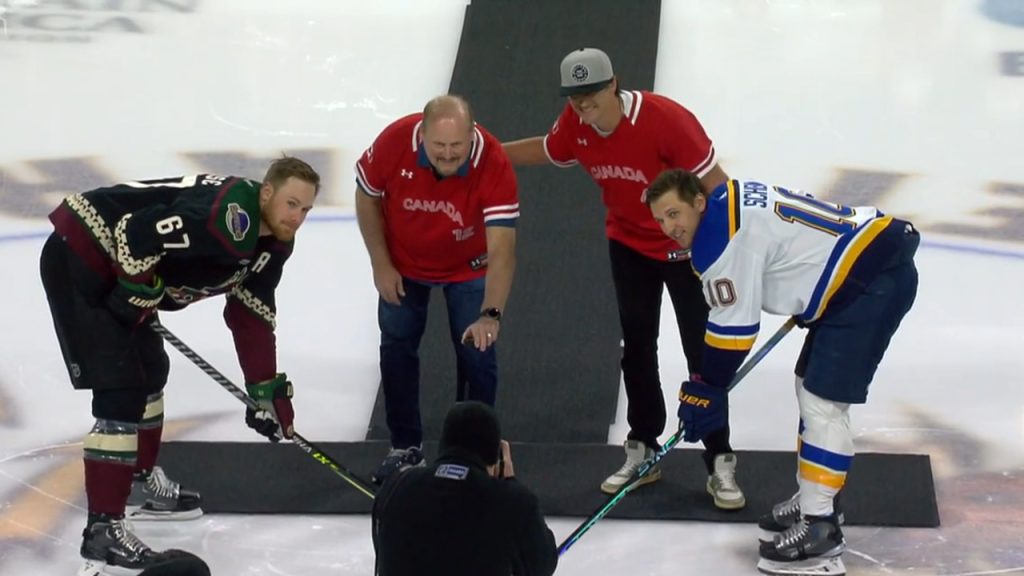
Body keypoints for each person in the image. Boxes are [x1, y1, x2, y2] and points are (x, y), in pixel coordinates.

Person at [40, 156, 320, 572]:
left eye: (305, 209)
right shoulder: (227, 220)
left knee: (152, 370)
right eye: (290, 204)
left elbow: (250, 313)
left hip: (121, 269)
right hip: (81, 254)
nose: (296, 217)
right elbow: (134, 233)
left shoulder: (273, 242)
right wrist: (139, 288)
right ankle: (102, 530)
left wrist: (264, 387)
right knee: (122, 389)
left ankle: (137, 478)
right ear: (266, 193)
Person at [644, 169, 919, 576]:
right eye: (661, 219)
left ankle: (821, 532)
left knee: (822, 402)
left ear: (698, 202)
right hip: (863, 268)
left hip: (870, 284)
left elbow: (734, 330)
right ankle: (816, 495)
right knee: (809, 389)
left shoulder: (719, 241)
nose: (670, 227)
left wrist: (708, 387)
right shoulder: (728, 200)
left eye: (674, 213)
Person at [502, 47, 743, 508]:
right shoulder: (575, 123)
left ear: (614, 84)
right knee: (636, 346)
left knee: (702, 349)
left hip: (688, 250)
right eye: (575, 99)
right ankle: (644, 449)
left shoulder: (668, 121)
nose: (583, 107)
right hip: (630, 246)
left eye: (591, 96)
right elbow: (549, 150)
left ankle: (719, 459)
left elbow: (717, 185)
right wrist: (491, 151)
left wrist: (741, 246)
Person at [355, 95, 519, 485]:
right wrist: (380, 262)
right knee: (396, 346)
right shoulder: (394, 143)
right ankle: (404, 446)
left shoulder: (493, 161)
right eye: (439, 146)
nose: (447, 155)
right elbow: (367, 196)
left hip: (468, 268)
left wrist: (490, 314)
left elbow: (502, 249)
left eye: (456, 146)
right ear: (422, 134)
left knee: (477, 353)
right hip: (404, 265)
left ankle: (476, 451)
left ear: (472, 134)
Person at [372, 401, 558, 576]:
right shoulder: (514, 502)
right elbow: (543, 565)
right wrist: (510, 482)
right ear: (497, 457)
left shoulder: (395, 486)